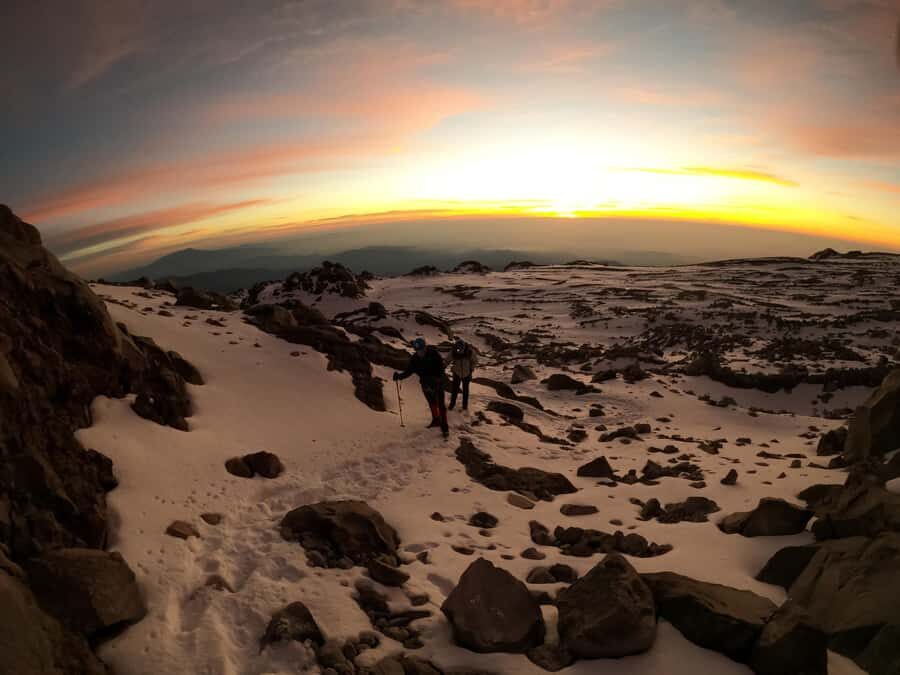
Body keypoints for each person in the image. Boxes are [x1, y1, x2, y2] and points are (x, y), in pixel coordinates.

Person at [394, 337, 449, 437]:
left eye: (421, 350)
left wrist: (438, 379)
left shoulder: (434, 354)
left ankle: (445, 427)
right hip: (426, 384)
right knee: (432, 402)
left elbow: (441, 369)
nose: (420, 352)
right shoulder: (415, 359)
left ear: (425, 347)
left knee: (441, 405)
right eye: (418, 350)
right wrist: (399, 376)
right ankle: (436, 420)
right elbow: (409, 371)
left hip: (437, 383)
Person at [448, 338, 477, 411]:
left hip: (467, 373)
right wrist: (443, 366)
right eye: (458, 349)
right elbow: (447, 360)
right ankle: (452, 404)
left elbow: (474, 361)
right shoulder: (453, 352)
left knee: (465, 390)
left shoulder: (469, 352)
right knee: (454, 390)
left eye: (461, 349)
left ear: (464, 348)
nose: (459, 351)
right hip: (456, 373)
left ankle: (465, 406)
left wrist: (471, 369)